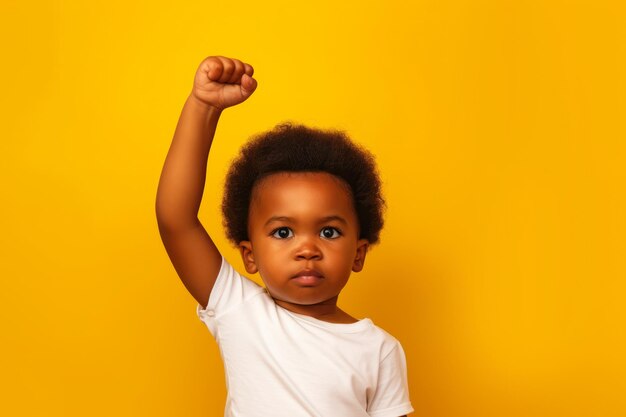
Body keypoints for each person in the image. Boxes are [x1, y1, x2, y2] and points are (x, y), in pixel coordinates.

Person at [155, 55, 414, 417]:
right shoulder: (240, 310)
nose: (307, 248)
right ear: (249, 255)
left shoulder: (379, 349)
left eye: (328, 231)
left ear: (359, 253)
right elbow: (175, 219)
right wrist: (203, 106)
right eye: (283, 232)